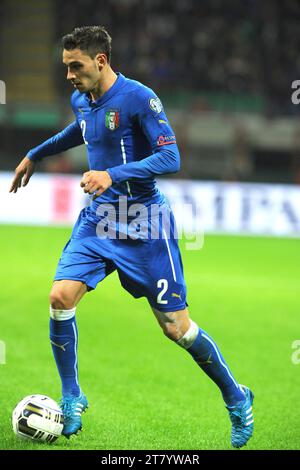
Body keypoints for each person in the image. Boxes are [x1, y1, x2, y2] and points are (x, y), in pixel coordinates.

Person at [9, 26, 254, 448]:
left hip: (146, 224)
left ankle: (236, 397)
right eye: (65, 66)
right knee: (59, 298)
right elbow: (80, 132)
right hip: (99, 220)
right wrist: (36, 153)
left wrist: (112, 174)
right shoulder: (81, 99)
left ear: (100, 61)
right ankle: (71, 397)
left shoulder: (140, 98)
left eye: (76, 66)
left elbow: (170, 156)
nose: (69, 74)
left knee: (177, 329)